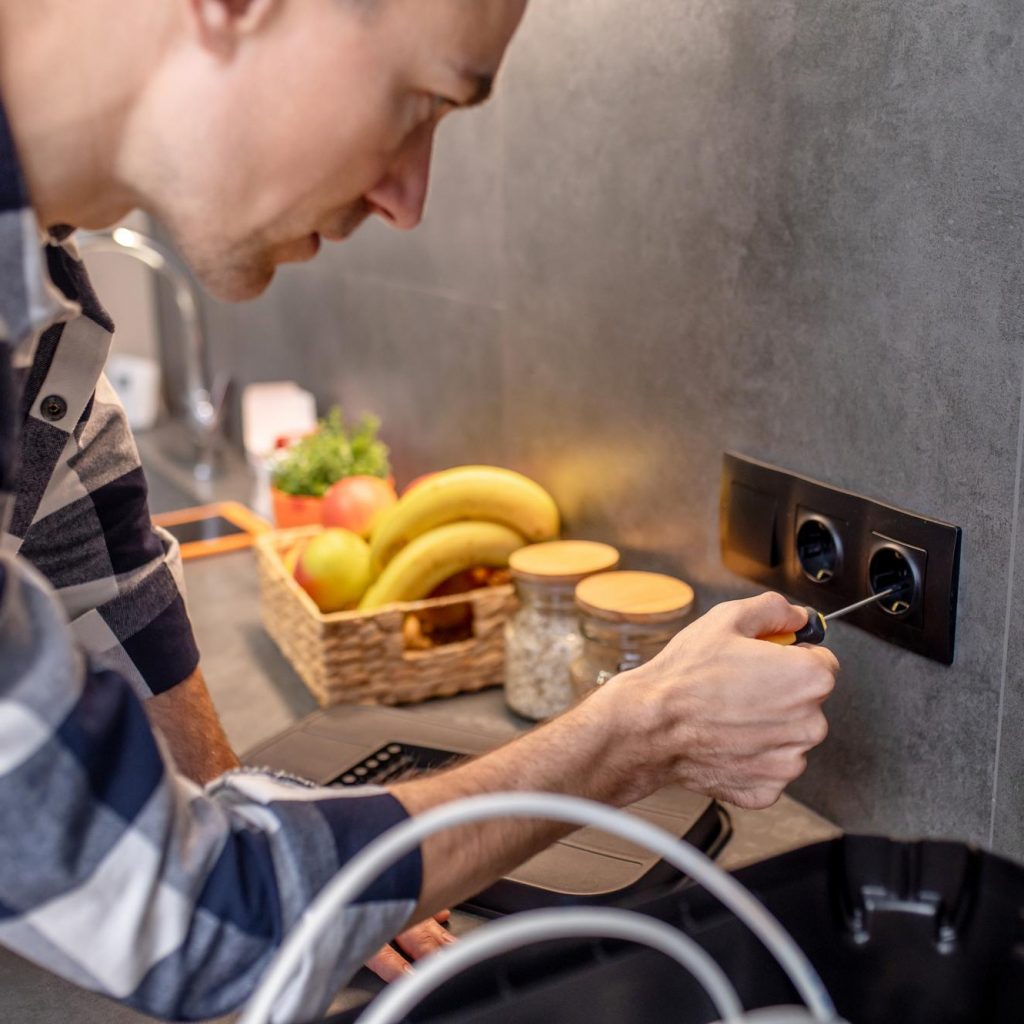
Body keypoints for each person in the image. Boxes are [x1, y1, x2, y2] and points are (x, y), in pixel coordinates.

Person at [0, 1, 839, 1020]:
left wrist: (277, 841)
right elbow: (193, 917)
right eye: (421, 102)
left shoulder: (38, 292)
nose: (407, 198)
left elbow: (94, 550)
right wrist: (634, 734)